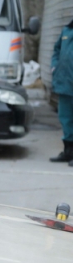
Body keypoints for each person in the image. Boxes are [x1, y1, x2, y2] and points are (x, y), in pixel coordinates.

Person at [50, 18, 73, 165]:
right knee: (66, 118)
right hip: (65, 82)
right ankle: (68, 152)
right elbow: (57, 49)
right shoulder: (67, 29)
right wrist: (54, 65)